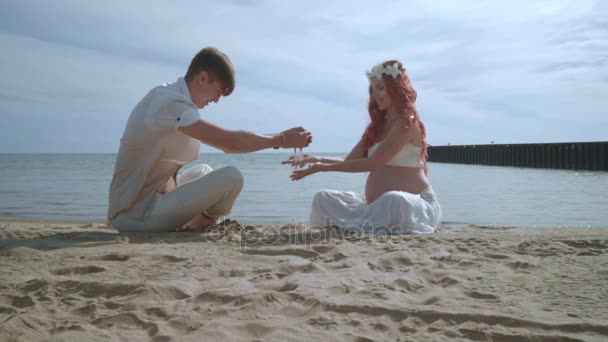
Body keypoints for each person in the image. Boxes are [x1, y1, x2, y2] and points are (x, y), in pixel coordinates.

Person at [108, 47, 312, 233]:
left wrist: (282, 136)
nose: (216, 100)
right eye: (218, 91)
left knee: (204, 171)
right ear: (203, 78)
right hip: (136, 216)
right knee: (232, 178)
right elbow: (231, 143)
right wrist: (283, 139)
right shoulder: (169, 103)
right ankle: (204, 221)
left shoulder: (168, 97)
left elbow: (233, 139)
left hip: (147, 199)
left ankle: (199, 219)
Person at [285, 60, 441, 234]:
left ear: (396, 88)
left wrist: (322, 168)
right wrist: (317, 159)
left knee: (393, 200)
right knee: (322, 198)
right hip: (374, 206)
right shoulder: (376, 127)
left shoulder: (407, 123)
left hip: (414, 204)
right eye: (372, 90)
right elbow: (351, 161)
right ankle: (362, 224)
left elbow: (372, 163)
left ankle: (365, 225)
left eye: (380, 88)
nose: (375, 95)